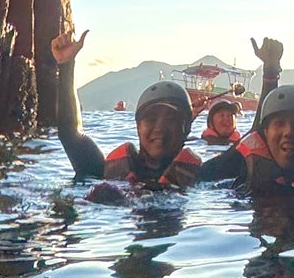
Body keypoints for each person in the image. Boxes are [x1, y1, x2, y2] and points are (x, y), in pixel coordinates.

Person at [51, 28, 202, 190]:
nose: (159, 128)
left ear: (186, 127)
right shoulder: (107, 172)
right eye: (151, 118)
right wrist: (66, 65)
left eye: (171, 119)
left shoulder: (204, 177)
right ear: (138, 126)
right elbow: (70, 134)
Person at [199, 39, 294, 194]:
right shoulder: (238, 171)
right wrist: (270, 74)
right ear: (265, 134)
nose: (289, 132)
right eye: (279, 123)